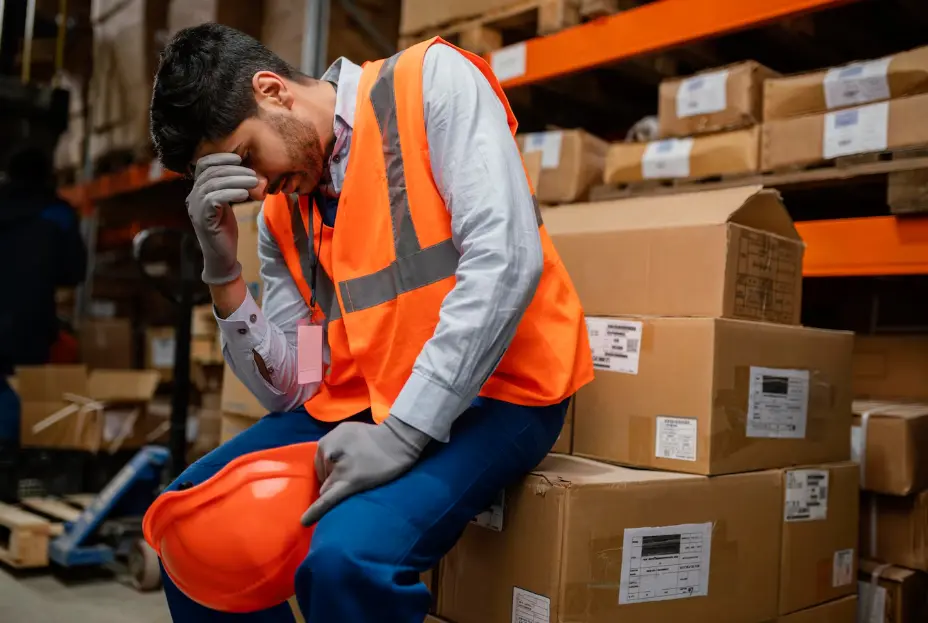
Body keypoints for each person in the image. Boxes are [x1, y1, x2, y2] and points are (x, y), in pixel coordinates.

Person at [148, 23, 593, 622]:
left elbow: (506, 259)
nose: (255, 188)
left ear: (273, 90)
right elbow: (295, 386)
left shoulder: (430, 83)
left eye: (248, 157)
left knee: (346, 561)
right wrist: (224, 271)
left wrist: (402, 435)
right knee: (190, 530)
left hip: (500, 390)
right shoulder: (283, 215)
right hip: (365, 398)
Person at [0, 145, 86, 470]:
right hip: (30, 320)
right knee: (24, 387)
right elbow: (73, 272)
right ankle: (15, 459)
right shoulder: (57, 213)